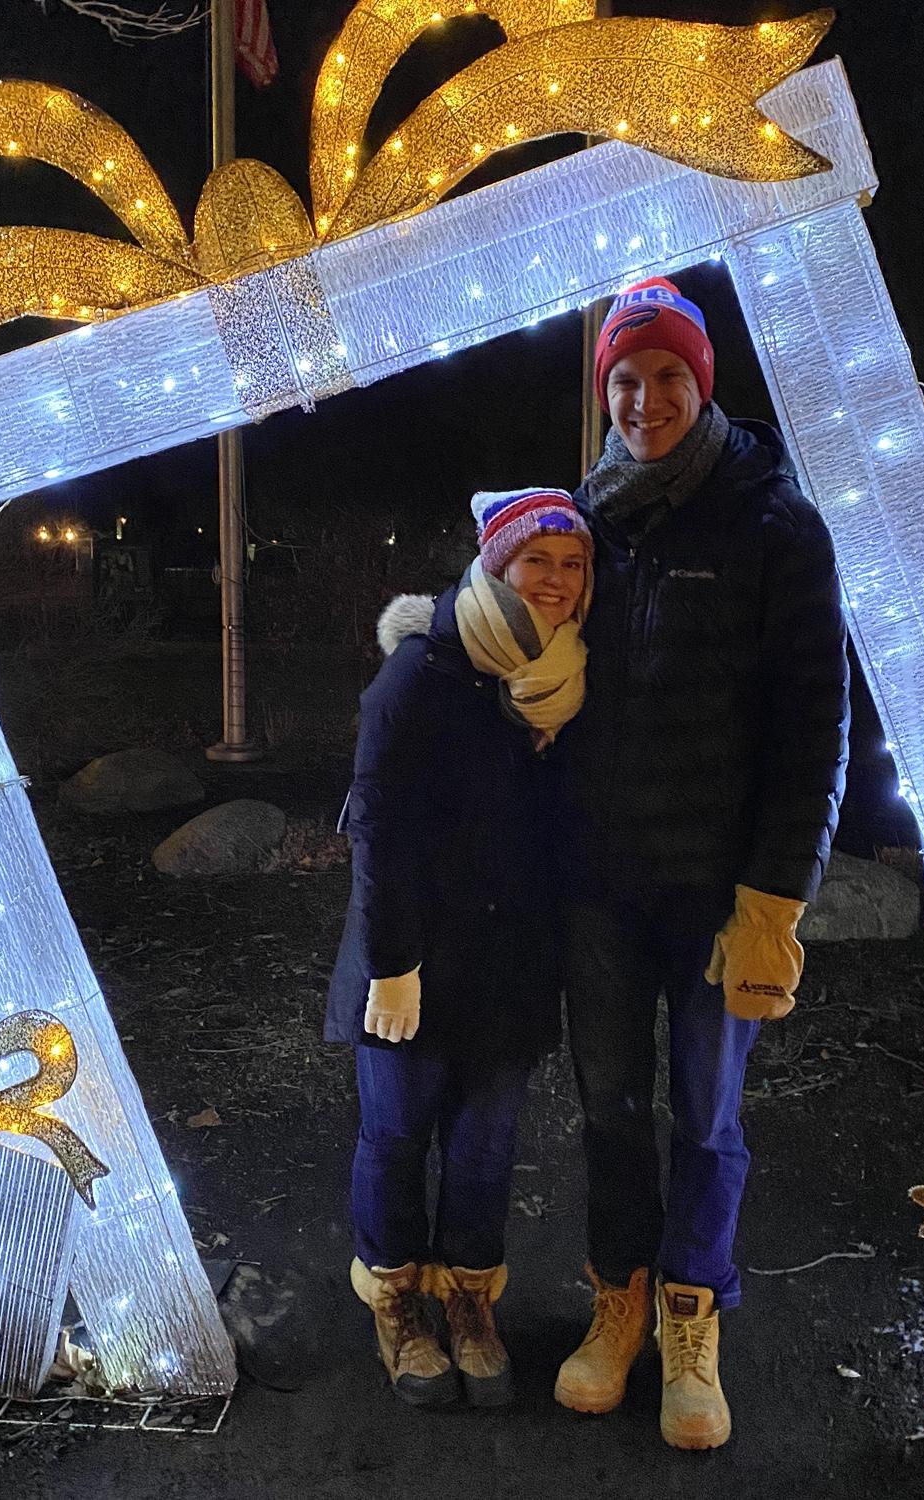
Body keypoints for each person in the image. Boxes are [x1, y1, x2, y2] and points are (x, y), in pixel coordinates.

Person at [553, 277, 850, 1449]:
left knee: (708, 1117)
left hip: (721, 895)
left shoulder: (776, 523)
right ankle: (618, 1300)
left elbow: (813, 727)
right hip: (600, 889)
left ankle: (692, 1313)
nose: (645, 400)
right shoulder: (582, 523)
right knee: (611, 1108)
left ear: (704, 380)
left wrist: (777, 899)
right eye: (625, 381)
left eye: (668, 375)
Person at [326, 488, 594, 1408]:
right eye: (536, 560)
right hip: (414, 960)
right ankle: (397, 1300)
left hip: (511, 960)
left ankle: (471, 1300)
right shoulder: (418, 675)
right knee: (396, 1136)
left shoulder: (563, 678)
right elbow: (379, 833)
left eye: (572, 563)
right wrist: (394, 967)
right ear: (495, 564)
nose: (555, 580)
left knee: (485, 1145)